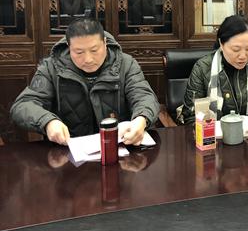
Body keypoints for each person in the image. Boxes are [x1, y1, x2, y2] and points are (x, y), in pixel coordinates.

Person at [10, 18, 159, 145]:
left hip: (118, 147)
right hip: (69, 152)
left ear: (105, 43)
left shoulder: (125, 64)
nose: (88, 59)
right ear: (69, 47)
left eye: (94, 50)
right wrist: (47, 122)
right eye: (79, 52)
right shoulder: (51, 68)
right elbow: (23, 105)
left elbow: (144, 96)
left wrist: (141, 119)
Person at [182, 15, 248, 123]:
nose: (243, 56)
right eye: (236, 49)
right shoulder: (202, 68)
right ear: (221, 44)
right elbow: (192, 116)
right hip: (214, 132)